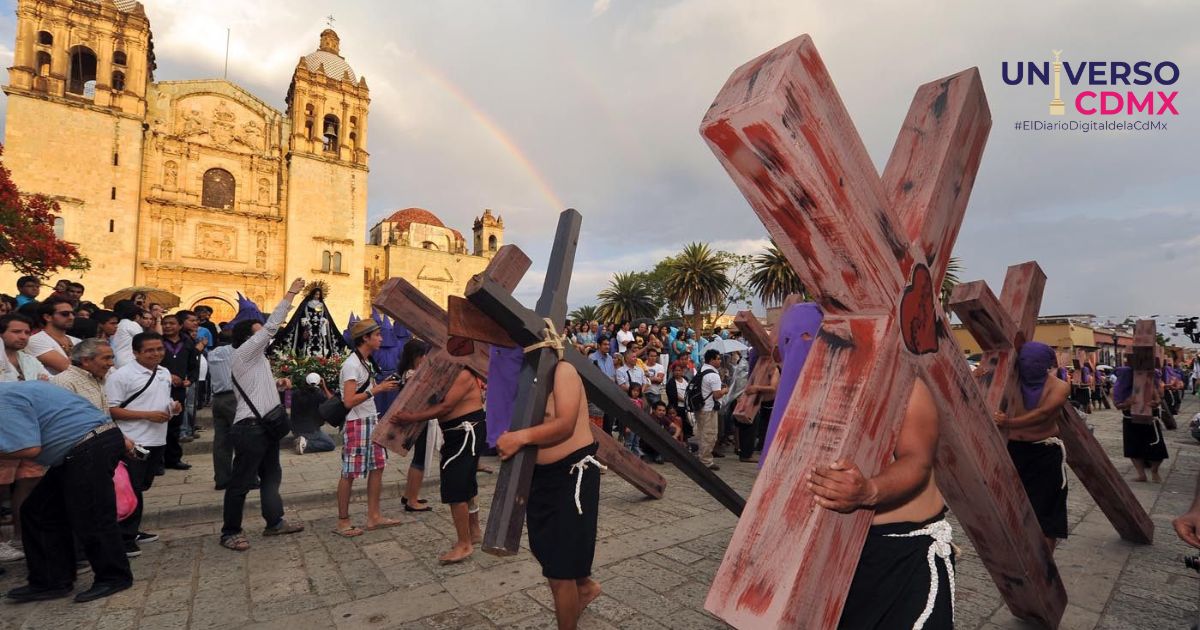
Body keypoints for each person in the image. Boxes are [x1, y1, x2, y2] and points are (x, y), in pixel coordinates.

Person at [806, 379, 954, 629]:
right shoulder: (811, 377)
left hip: (902, 555)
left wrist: (869, 491)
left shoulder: (905, 382)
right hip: (836, 556)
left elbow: (917, 459)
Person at [0, 381, 135, 602]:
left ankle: (114, 577)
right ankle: (51, 580)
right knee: (39, 511)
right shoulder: (12, 390)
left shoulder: (2, 399)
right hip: (86, 444)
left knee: (92, 516)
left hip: (87, 445)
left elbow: (29, 447)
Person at [496, 360, 602, 630]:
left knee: (559, 572)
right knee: (544, 549)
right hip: (539, 476)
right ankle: (586, 586)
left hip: (572, 475)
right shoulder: (524, 376)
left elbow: (564, 424)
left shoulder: (564, 370)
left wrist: (520, 438)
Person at [221, 278, 309, 552]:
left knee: (272, 475)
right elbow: (271, 326)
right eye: (259, 333)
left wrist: (277, 384)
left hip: (266, 426)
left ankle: (275, 521)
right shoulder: (244, 353)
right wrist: (291, 294)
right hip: (250, 428)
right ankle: (230, 531)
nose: (266, 336)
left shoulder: (257, 360)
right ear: (248, 337)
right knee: (241, 482)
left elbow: (257, 387)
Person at [388, 364, 485, 564]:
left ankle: (464, 544)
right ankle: (474, 532)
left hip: (465, 432)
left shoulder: (464, 373)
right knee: (466, 483)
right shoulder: (451, 372)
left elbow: (445, 406)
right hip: (457, 432)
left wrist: (410, 417)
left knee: (455, 485)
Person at [991, 342, 1071, 549]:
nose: (1029, 365)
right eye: (1025, 361)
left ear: (1047, 364)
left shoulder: (1059, 386)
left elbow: (1043, 414)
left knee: (1046, 511)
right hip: (1013, 451)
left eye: (1036, 362)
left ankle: (1045, 562)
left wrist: (1009, 422)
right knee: (1011, 508)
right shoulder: (1010, 383)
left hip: (1044, 451)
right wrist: (979, 375)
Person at [106, 332, 175, 557]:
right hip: (133, 440)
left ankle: (132, 530)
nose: (156, 354)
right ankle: (123, 537)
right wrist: (147, 415)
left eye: (159, 349)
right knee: (130, 488)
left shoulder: (163, 372)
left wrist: (173, 409)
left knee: (142, 485)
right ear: (136, 352)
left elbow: (160, 401)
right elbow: (112, 409)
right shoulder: (122, 376)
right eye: (149, 350)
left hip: (157, 438)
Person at [332, 319, 402, 537]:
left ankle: (374, 515)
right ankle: (343, 521)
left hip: (370, 419)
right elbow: (349, 400)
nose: (381, 338)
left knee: (378, 466)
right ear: (365, 338)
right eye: (378, 335)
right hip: (357, 422)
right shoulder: (352, 364)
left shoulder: (365, 361)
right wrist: (378, 389)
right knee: (349, 472)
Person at [0, 315, 51, 563]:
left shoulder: (30, 360)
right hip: (4, 432)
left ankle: (21, 537)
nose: (22, 337)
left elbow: (46, 387)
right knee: (1, 489)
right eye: (16, 332)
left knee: (29, 482)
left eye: (26, 332)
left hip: (31, 431)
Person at [1113, 359, 1168, 483]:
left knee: (1157, 446)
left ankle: (1154, 471)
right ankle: (1141, 474)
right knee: (1133, 448)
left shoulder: (1149, 381)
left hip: (1149, 418)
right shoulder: (1122, 384)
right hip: (1130, 418)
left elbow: (1158, 398)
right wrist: (1128, 403)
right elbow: (1117, 405)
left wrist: (1156, 402)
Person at [397, 339, 433, 512]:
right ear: (416, 356)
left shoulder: (407, 372)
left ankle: (409, 494)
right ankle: (412, 500)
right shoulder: (413, 374)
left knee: (418, 458)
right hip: (418, 419)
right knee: (420, 459)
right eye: (423, 354)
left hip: (415, 418)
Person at [160, 313, 199, 470]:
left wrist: (191, 379)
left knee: (175, 424)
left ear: (180, 326)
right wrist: (166, 375)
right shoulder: (158, 342)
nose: (167, 326)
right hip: (159, 388)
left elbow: (193, 365)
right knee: (160, 423)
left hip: (178, 390)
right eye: (165, 323)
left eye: (171, 323)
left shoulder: (188, 343)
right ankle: (157, 461)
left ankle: (173, 459)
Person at [272, 284, 347, 358]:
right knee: (307, 342)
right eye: (316, 294)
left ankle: (321, 357)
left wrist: (323, 321)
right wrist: (306, 323)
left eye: (318, 294)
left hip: (319, 328)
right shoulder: (307, 304)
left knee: (321, 342)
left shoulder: (321, 305)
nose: (317, 296)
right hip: (309, 327)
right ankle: (306, 356)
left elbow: (324, 315)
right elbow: (303, 314)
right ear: (312, 294)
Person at [51, 339, 114, 414]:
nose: (111, 363)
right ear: (85, 361)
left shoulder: (99, 378)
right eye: (106, 358)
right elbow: (65, 419)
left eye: (112, 358)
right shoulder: (64, 382)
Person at [206, 331, 236, 489]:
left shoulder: (212, 354)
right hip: (233, 398)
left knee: (221, 442)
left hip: (218, 398)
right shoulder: (233, 351)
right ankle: (248, 477)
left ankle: (222, 479)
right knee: (243, 439)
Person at [25, 297, 80, 375]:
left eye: (73, 314)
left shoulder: (78, 341)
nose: (71, 317)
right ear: (47, 317)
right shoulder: (36, 340)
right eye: (65, 314)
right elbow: (69, 370)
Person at [695, 349, 726, 471]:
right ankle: (706, 461)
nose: (719, 361)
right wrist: (725, 390)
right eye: (717, 359)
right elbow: (717, 395)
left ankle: (702, 456)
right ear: (711, 360)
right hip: (708, 408)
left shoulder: (702, 370)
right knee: (710, 434)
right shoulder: (713, 375)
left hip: (701, 406)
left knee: (702, 433)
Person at [110, 300, 144, 369]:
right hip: (128, 361)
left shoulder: (116, 324)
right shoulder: (130, 324)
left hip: (115, 360)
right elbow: (144, 341)